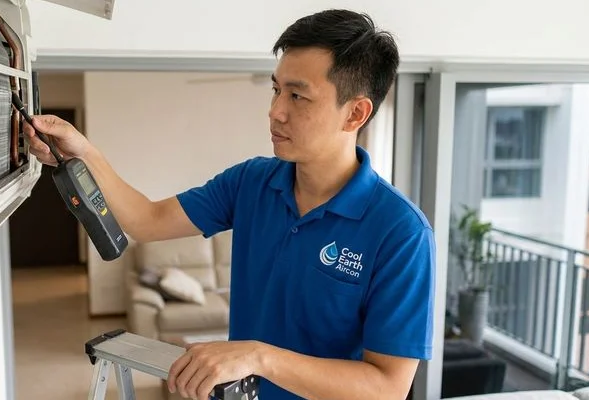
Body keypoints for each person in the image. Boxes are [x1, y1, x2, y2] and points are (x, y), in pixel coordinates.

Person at [24, 9, 435, 400]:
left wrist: (259, 356)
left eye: (298, 96)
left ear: (355, 114)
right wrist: (83, 153)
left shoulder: (401, 233)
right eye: (276, 90)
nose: (275, 112)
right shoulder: (252, 182)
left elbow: (387, 388)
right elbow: (147, 220)